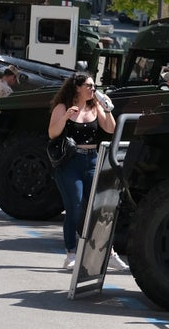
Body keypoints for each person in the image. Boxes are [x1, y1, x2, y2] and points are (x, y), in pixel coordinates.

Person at [48, 72, 121, 270]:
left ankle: (109, 252)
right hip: (70, 163)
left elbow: (111, 128)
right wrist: (65, 117)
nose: (93, 89)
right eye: (89, 86)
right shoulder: (63, 107)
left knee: (99, 208)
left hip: (92, 160)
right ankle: (70, 253)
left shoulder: (94, 106)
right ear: (77, 87)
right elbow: (53, 133)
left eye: (94, 86)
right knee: (75, 206)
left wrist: (107, 107)